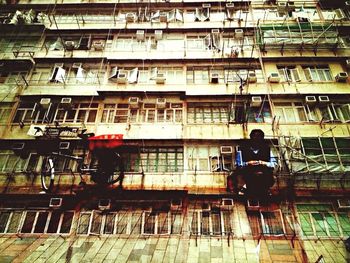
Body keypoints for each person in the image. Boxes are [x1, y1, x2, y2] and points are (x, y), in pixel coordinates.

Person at [234, 129, 277, 197]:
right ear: (251, 137)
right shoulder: (242, 150)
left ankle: (265, 189)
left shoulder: (267, 150)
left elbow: (273, 164)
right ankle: (246, 188)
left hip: (264, 175)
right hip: (248, 174)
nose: (256, 139)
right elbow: (238, 164)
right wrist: (248, 163)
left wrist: (263, 163)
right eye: (254, 136)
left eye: (259, 137)